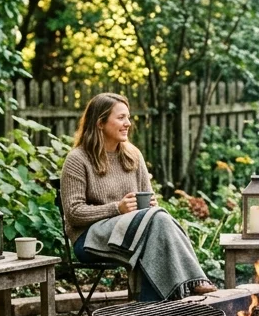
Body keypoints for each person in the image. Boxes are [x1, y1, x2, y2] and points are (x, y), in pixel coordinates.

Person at [61, 93, 216, 301]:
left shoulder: (133, 155)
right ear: (100, 123)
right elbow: (73, 214)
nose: (128, 124)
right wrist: (117, 208)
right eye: (121, 118)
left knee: (156, 223)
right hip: (90, 238)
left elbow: (153, 205)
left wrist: (151, 204)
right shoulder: (77, 159)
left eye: (128, 117)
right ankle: (191, 283)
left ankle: (150, 310)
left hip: (134, 233)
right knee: (157, 222)